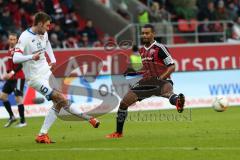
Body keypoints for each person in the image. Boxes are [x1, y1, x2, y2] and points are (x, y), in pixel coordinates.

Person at [13, 12, 100, 144]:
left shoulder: (44, 33)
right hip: (35, 78)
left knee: (58, 103)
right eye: (47, 25)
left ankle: (42, 135)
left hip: (46, 72)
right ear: (40, 23)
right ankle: (89, 118)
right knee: (60, 98)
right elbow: (15, 58)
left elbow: (47, 44)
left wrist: (52, 60)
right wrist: (31, 57)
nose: (49, 28)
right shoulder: (25, 37)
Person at [106, 24, 185, 138]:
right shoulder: (142, 50)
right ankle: (118, 133)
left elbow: (172, 66)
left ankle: (178, 102)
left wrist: (161, 78)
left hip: (162, 80)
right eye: (143, 33)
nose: (144, 35)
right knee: (124, 103)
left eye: (147, 33)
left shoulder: (160, 48)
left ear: (153, 34)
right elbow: (145, 69)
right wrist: (130, 72)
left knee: (167, 93)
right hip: (146, 81)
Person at [0, 33, 26, 128]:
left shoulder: (18, 50)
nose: (12, 41)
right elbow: (10, 65)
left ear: (17, 40)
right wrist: (6, 74)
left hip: (19, 78)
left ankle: (23, 121)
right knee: (3, 97)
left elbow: (20, 65)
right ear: (8, 40)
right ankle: (12, 117)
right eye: (10, 39)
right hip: (11, 79)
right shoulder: (9, 50)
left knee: (18, 98)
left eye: (13, 39)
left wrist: (11, 73)